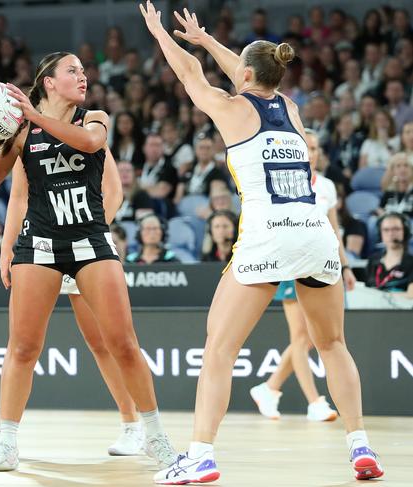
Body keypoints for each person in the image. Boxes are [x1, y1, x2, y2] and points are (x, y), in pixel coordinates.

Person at [140, 3, 383, 483]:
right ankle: (361, 449)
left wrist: (162, 34)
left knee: (219, 349)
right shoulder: (290, 111)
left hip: (267, 237)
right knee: (332, 344)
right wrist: (208, 40)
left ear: (245, 73)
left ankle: (201, 456)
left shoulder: (230, 109)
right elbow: (254, 73)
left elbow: (190, 73)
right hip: (316, 236)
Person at [0, 50, 176, 472]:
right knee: (23, 347)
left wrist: (33, 116)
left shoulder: (94, 118)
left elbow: (90, 144)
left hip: (90, 239)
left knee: (122, 343)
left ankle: (154, 435)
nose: (83, 77)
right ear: (49, 81)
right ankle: (6, 439)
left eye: (83, 71)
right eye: (73, 71)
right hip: (40, 245)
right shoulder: (22, 132)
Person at [0, 137, 146, 459]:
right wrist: (7, 247)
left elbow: (113, 192)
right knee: (20, 344)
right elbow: (19, 196)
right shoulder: (28, 138)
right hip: (40, 249)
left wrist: (83, 234)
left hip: (84, 248)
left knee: (101, 342)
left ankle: (132, 426)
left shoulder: (89, 128)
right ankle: (4, 429)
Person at [250, 129, 357, 422]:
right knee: (301, 336)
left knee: (311, 336)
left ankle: (269, 388)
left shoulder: (327, 186)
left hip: (321, 264)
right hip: (288, 262)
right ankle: (314, 402)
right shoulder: (282, 181)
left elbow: (334, 232)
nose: (312, 153)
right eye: (306, 148)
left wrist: (345, 265)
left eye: (315, 148)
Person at [365, 212, 413, 298]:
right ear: (380, 233)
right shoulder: (373, 260)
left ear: (405, 232)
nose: (391, 234)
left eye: (396, 229)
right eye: (386, 230)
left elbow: (411, 295)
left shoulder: (411, 262)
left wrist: (380, 295)